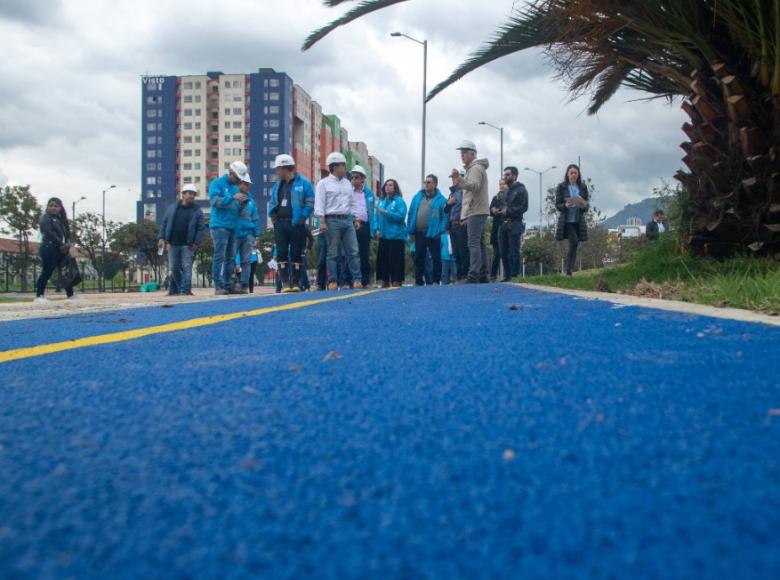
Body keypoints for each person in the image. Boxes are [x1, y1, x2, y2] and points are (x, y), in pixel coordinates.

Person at [314, 151, 363, 290]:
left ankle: (357, 279)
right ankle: (332, 281)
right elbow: (320, 203)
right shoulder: (323, 184)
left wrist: (356, 218)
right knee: (332, 253)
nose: (345, 168)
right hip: (331, 220)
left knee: (353, 250)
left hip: (347, 220)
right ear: (334, 167)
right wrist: (322, 221)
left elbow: (352, 202)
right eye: (343, 165)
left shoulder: (348, 183)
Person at [268, 154, 315, 292]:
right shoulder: (277, 186)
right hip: (280, 224)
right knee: (281, 253)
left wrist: (303, 217)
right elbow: (272, 202)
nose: (277, 172)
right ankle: (284, 283)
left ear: (286, 168)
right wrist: (273, 216)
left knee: (296, 253)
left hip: (296, 224)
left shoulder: (303, 183)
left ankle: (295, 283)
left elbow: (310, 201)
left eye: (278, 169)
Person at [450, 140, 489, 283]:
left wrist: (458, 178)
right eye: (461, 152)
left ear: (473, 154)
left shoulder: (475, 168)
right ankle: (483, 274)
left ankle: (473, 275)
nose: (462, 155)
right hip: (477, 209)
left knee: (473, 242)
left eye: (465, 152)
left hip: (476, 210)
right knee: (479, 243)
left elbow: (474, 186)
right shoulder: (473, 168)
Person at [208, 160, 248, 294]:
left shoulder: (235, 188)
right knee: (219, 256)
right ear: (231, 173)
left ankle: (228, 283)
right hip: (219, 226)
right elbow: (215, 202)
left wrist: (241, 205)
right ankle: (218, 285)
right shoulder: (217, 184)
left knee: (231, 257)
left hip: (232, 227)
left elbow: (234, 208)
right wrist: (232, 197)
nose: (238, 181)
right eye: (237, 178)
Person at [158, 184, 205, 296]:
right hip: (173, 244)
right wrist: (161, 238)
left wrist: (196, 242)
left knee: (186, 268)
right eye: (189, 193)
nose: (192, 196)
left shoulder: (197, 211)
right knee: (174, 268)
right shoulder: (172, 208)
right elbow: (164, 223)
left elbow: (200, 228)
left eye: (193, 194)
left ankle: (185, 290)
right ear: (182, 194)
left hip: (188, 245)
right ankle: (179, 288)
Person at [407, 174, 448, 286]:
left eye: (429, 182)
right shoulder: (417, 197)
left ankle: (435, 280)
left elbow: (445, 217)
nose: (426, 184)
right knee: (419, 256)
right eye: (425, 182)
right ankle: (418, 280)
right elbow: (411, 213)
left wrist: (441, 230)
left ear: (435, 184)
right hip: (419, 232)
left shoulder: (441, 199)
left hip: (434, 233)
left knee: (436, 257)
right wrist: (410, 228)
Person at [35, 197, 74, 302]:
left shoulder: (61, 221)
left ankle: (70, 294)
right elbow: (48, 232)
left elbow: (67, 235)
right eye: (51, 206)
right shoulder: (45, 218)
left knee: (65, 272)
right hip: (49, 248)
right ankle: (39, 295)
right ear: (47, 207)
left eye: (56, 206)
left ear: (60, 208)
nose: (53, 208)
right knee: (47, 271)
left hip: (60, 249)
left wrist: (68, 245)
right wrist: (61, 243)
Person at [555, 164, 590, 276]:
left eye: (575, 173)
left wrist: (583, 206)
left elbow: (587, 205)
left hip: (578, 220)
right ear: (567, 174)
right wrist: (565, 205)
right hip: (567, 221)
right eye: (571, 173)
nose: (573, 175)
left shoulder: (583, 187)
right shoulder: (561, 187)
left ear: (578, 174)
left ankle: (568, 268)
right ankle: (568, 268)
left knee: (575, 244)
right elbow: (557, 205)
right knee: (574, 242)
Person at [374, 178, 407, 287]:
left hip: (396, 236)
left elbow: (401, 216)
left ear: (395, 187)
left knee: (396, 260)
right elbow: (376, 217)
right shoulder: (381, 202)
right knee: (383, 260)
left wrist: (388, 213)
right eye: (386, 185)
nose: (388, 187)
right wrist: (376, 229)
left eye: (390, 185)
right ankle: (385, 280)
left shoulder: (399, 201)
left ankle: (396, 280)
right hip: (384, 236)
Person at [346, 165, 375, 288]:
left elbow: (372, 212)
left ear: (363, 179)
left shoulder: (369, 193)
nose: (353, 179)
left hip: (365, 226)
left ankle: (365, 280)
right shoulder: (347, 192)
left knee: (364, 253)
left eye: (356, 177)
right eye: (352, 177)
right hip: (351, 225)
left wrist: (373, 229)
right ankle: (349, 280)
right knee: (350, 253)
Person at [500, 166, 529, 280]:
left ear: (514, 175)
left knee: (514, 250)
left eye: (508, 174)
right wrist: (500, 211)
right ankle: (507, 275)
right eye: (505, 175)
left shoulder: (521, 190)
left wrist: (509, 211)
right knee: (504, 251)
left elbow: (524, 207)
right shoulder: (507, 191)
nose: (505, 177)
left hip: (515, 223)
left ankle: (514, 275)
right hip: (504, 223)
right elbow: (504, 205)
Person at [234, 177, 260, 293]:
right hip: (234, 233)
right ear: (239, 184)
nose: (247, 187)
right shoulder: (233, 197)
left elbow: (255, 218)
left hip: (248, 234)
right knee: (231, 259)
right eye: (245, 184)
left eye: (248, 184)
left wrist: (257, 234)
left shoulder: (251, 201)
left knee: (246, 261)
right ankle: (231, 283)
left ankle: (244, 285)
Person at [445, 171, 468, 282]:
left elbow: (467, 206)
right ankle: (459, 277)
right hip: (452, 225)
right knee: (456, 252)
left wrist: (465, 219)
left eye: (455, 178)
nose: (453, 180)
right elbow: (446, 211)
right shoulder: (451, 194)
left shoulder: (464, 192)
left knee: (462, 251)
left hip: (461, 224)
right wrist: (448, 204)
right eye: (452, 178)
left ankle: (465, 275)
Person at [489, 179, 508, 281]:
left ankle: (507, 274)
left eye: (503, 184)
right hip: (496, 228)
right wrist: (494, 210)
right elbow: (491, 210)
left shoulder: (510, 197)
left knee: (506, 253)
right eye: (500, 184)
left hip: (506, 227)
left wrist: (500, 210)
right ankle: (493, 275)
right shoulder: (495, 198)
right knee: (496, 254)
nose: (501, 186)